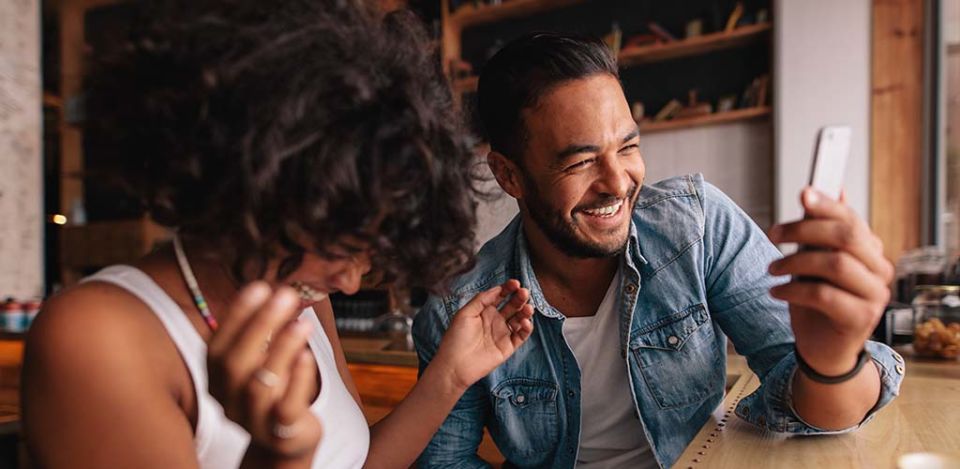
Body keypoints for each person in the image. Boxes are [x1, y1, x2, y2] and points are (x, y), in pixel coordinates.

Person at [21, 2, 536, 468]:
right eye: (340, 240)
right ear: (251, 185)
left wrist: (450, 374)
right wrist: (275, 457)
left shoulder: (305, 299)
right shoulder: (98, 338)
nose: (353, 282)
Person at [413, 32, 904, 469]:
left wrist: (832, 361)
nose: (617, 183)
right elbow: (444, 460)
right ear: (509, 175)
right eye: (581, 161)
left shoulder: (697, 226)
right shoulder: (460, 307)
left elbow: (816, 412)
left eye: (628, 147)